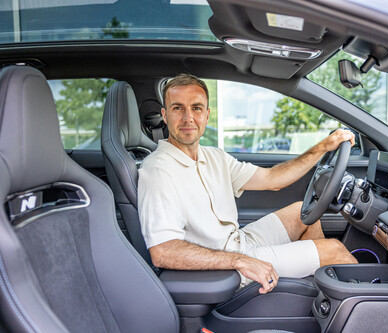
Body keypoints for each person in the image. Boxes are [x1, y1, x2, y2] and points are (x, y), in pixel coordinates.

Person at [138, 74, 357, 295]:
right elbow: (163, 251)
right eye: (178, 108)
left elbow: (272, 179)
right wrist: (240, 260)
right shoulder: (157, 170)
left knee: (303, 214)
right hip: (222, 266)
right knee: (335, 251)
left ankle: (307, 298)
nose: (188, 118)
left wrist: (322, 148)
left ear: (206, 115)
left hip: (239, 242)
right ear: (165, 116)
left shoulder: (214, 157)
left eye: (196, 108)